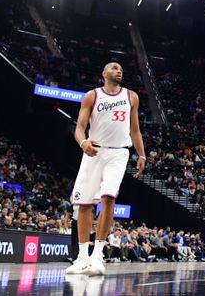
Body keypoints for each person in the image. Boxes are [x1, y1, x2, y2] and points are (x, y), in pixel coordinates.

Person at [66, 62, 146, 276]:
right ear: (104, 74)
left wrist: (142, 154)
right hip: (93, 152)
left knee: (108, 197)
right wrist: (83, 143)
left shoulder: (131, 97)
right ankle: (82, 258)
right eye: (113, 68)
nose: (119, 70)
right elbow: (80, 128)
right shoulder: (92, 96)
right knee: (84, 204)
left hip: (118, 153)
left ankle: (98, 255)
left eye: (120, 68)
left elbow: (135, 129)